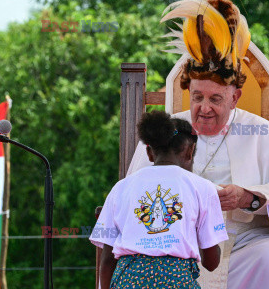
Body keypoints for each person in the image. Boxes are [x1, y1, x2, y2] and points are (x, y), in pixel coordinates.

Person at [127, 0, 269, 289]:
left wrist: (247, 197)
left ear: (235, 97)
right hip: (176, 246)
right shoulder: (166, 131)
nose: (204, 108)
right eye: (198, 97)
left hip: (244, 245)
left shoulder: (264, 133)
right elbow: (133, 192)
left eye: (216, 98)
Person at [90, 111, 228, 288]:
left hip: (129, 280)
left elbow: (108, 259)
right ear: (190, 151)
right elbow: (211, 262)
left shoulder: (121, 188)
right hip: (177, 282)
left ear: (149, 152)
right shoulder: (203, 187)